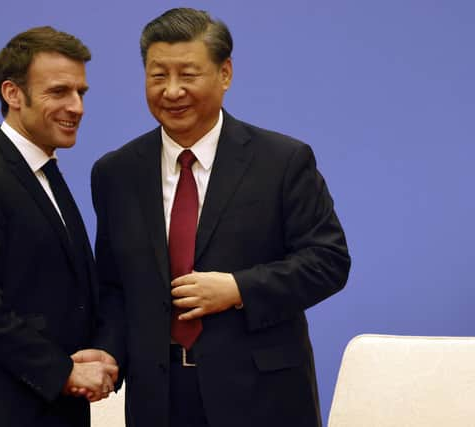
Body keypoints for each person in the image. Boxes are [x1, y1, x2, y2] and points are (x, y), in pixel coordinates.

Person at [90, 8, 351, 427]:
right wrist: (108, 352)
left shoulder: (281, 161)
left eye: (188, 75)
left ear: (224, 73)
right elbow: (114, 287)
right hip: (159, 398)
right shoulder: (115, 173)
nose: (172, 91)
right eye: (158, 76)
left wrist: (237, 288)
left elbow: (328, 261)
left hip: (262, 397)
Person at [0, 26, 117, 427]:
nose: (77, 107)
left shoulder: (48, 173)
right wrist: (62, 371)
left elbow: (74, 293)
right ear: (13, 94)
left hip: (57, 411)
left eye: (81, 92)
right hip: (2, 412)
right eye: (59, 91)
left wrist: (103, 351)